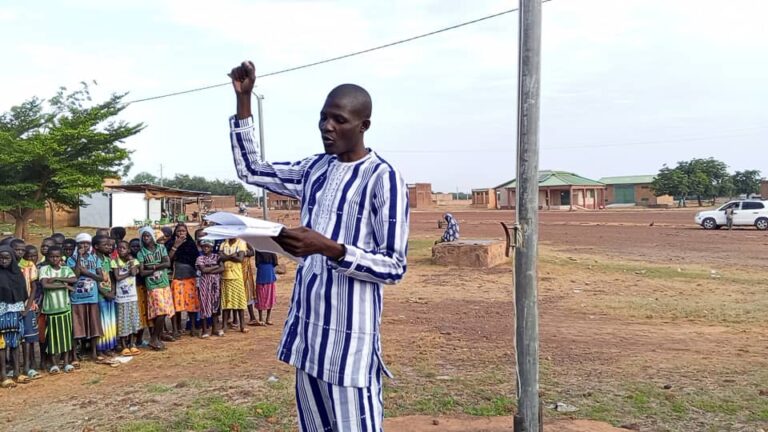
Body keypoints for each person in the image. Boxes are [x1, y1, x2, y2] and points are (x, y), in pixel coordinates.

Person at [228, 61, 409, 430]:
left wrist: (330, 248)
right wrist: (243, 100)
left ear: (363, 126)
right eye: (324, 118)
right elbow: (251, 170)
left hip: (349, 347)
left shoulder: (383, 179)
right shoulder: (316, 169)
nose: (328, 127)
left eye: (339, 120)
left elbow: (394, 266)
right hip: (308, 338)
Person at [38, 246, 77, 374]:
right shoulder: (44, 269)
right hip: (50, 309)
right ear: (47, 257)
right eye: (51, 256)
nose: (54, 259)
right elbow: (45, 285)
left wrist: (56, 279)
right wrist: (65, 286)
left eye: (57, 256)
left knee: (66, 336)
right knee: (52, 338)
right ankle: (53, 364)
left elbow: (74, 279)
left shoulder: (65, 269)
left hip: (65, 308)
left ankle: (65, 362)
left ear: (61, 257)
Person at [67, 233, 104, 363]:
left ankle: (94, 352)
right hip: (77, 297)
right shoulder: (71, 259)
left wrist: (87, 272)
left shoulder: (95, 258)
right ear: (77, 245)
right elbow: (75, 276)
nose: (84, 246)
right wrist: (79, 259)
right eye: (81, 243)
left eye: (87, 243)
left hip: (92, 296)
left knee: (94, 325)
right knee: (77, 326)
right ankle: (74, 355)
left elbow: (101, 277)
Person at [136, 227, 175, 351]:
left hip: (164, 283)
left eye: (148, 236)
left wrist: (151, 267)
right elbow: (142, 272)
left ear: (152, 236)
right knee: (161, 311)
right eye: (144, 236)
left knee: (164, 312)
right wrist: (158, 266)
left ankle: (156, 338)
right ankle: (154, 338)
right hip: (152, 286)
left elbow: (167, 263)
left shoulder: (161, 248)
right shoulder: (141, 253)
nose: (146, 238)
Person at [0, 246, 30, 388]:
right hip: (1, 314)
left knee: (15, 343)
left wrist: (23, 310)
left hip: (15, 313)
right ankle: (4, 375)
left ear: (12, 259)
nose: (3, 261)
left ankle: (17, 372)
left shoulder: (17, 273)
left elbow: (23, 292)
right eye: (1, 258)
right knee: (1, 345)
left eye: (7, 258)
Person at [165, 223, 200, 338]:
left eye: (183, 231)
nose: (181, 233)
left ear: (186, 232)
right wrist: (176, 246)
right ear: (175, 232)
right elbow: (167, 260)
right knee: (176, 304)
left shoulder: (191, 244)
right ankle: (175, 329)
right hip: (176, 277)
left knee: (192, 304)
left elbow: (196, 259)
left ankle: (193, 327)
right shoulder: (170, 243)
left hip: (190, 277)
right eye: (179, 231)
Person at [112, 241, 142, 356]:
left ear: (128, 250)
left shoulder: (133, 261)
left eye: (124, 248)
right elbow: (117, 277)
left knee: (133, 320)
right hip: (121, 297)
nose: (121, 250)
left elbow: (134, 273)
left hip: (132, 297)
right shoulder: (114, 262)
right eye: (119, 248)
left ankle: (132, 344)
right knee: (123, 321)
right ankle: (124, 345)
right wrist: (128, 272)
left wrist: (130, 262)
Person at [92, 235, 118, 362]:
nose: (109, 247)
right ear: (96, 246)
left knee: (110, 321)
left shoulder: (107, 259)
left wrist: (112, 291)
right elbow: (94, 280)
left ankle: (109, 346)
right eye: (105, 245)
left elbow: (112, 278)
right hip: (99, 295)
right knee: (102, 322)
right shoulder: (93, 260)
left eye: (109, 245)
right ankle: (101, 348)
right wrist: (104, 293)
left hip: (109, 294)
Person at [18, 246, 41, 379]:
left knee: (29, 337)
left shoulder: (30, 266)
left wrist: (27, 307)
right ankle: (17, 366)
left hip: (28, 305)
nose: (19, 252)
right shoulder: (12, 266)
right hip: (13, 306)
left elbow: (33, 288)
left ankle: (29, 365)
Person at [195, 239, 223, 338]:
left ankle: (215, 329)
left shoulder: (216, 257)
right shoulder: (200, 258)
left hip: (215, 284)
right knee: (204, 305)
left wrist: (209, 269)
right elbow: (203, 270)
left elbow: (222, 268)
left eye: (208, 246)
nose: (206, 248)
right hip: (204, 285)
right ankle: (204, 330)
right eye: (204, 247)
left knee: (215, 305)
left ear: (211, 247)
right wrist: (215, 267)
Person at [219, 237, 248, 334]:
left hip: (237, 276)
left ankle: (242, 326)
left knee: (240, 302)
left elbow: (240, 259)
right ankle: (224, 326)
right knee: (226, 303)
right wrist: (232, 256)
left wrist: (226, 256)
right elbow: (220, 258)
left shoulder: (241, 243)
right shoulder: (224, 244)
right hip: (225, 276)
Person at [129, 238, 149, 346]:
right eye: (133, 246)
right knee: (134, 314)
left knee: (143, 314)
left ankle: (139, 339)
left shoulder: (143, 258)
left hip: (143, 287)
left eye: (138, 246)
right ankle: (130, 341)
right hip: (132, 290)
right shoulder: (128, 260)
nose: (136, 248)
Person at [254, 251, 278, 326]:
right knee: (269, 294)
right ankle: (268, 318)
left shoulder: (258, 248)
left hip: (262, 270)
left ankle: (261, 318)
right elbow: (275, 261)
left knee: (260, 294)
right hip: (269, 270)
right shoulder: (271, 246)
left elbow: (257, 263)